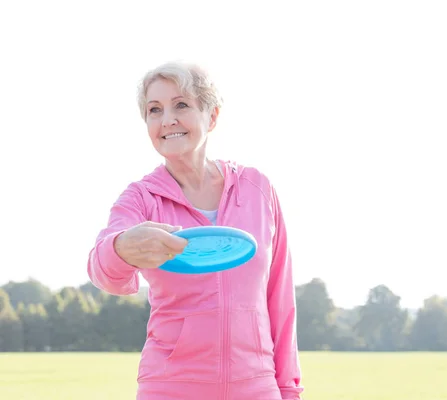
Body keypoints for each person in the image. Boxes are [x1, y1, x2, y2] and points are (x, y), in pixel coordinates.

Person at [87, 61, 303, 400]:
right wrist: (121, 248)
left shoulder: (257, 188)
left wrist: (288, 390)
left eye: (181, 104)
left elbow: (280, 298)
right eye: (154, 110)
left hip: (256, 387)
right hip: (171, 387)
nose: (167, 119)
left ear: (212, 116)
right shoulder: (140, 198)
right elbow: (103, 272)